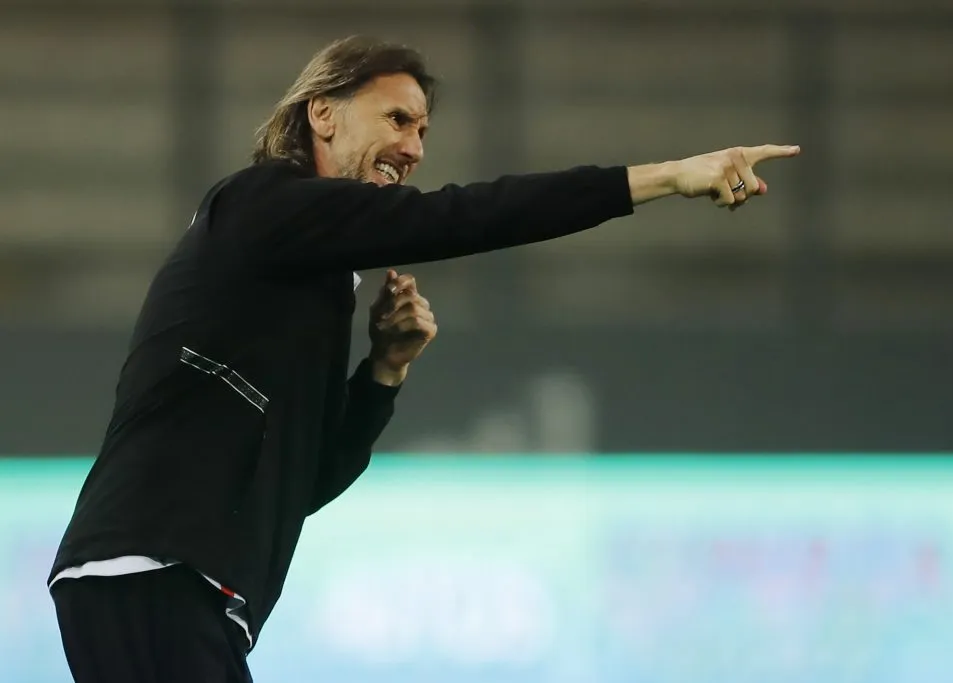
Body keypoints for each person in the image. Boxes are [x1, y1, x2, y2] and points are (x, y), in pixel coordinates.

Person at [47, 35, 800, 683]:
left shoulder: (310, 281)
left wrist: (384, 371)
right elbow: (466, 214)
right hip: (153, 570)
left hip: (180, 585)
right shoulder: (259, 205)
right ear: (323, 111)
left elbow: (303, 484)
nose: (414, 147)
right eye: (398, 118)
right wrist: (666, 177)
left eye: (424, 129)